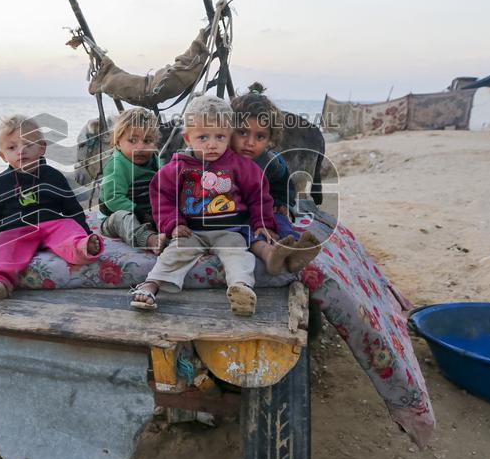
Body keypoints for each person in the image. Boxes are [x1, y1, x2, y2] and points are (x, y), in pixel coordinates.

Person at [129, 95, 280, 316]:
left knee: (239, 254)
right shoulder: (178, 167)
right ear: (188, 138)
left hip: (230, 230)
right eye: (203, 138)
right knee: (174, 253)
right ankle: (151, 284)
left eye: (220, 137)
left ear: (229, 136)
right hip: (193, 231)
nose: (212, 144)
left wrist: (263, 224)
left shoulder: (241, 166)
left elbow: (258, 196)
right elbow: (162, 196)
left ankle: (241, 288)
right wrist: (173, 224)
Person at [0, 114, 103, 300]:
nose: (21, 151)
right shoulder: (0, 183)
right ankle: (0, 282)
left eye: (28, 144)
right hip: (17, 229)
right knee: (3, 246)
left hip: (51, 225)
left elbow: (72, 208)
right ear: (2, 155)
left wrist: (83, 232)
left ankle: (82, 247)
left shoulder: (54, 176)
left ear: (42, 147)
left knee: (68, 228)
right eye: (12, 147)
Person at [231, 84, 322, 273]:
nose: (250, 142)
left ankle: (292, 251)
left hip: (265, 209)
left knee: (282, 222)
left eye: (260, 136)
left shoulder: (272, 162)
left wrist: (283, 204)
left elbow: (282, 185)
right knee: (244, 231)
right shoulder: (222, 160)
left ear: (270, 139)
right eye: (242, 133)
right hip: (236, 213)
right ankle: (270, 254)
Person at [98, 108, 166, 254]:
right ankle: (148, 240)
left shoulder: (156, 161)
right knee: (122, 218)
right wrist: (139, 213)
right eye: (132, 140)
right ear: (117, 143)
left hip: (149, 213)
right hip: (117, 215)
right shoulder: (117, 165)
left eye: (147, 141)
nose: (140, 147)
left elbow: (166, 188)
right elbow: (113, 199)